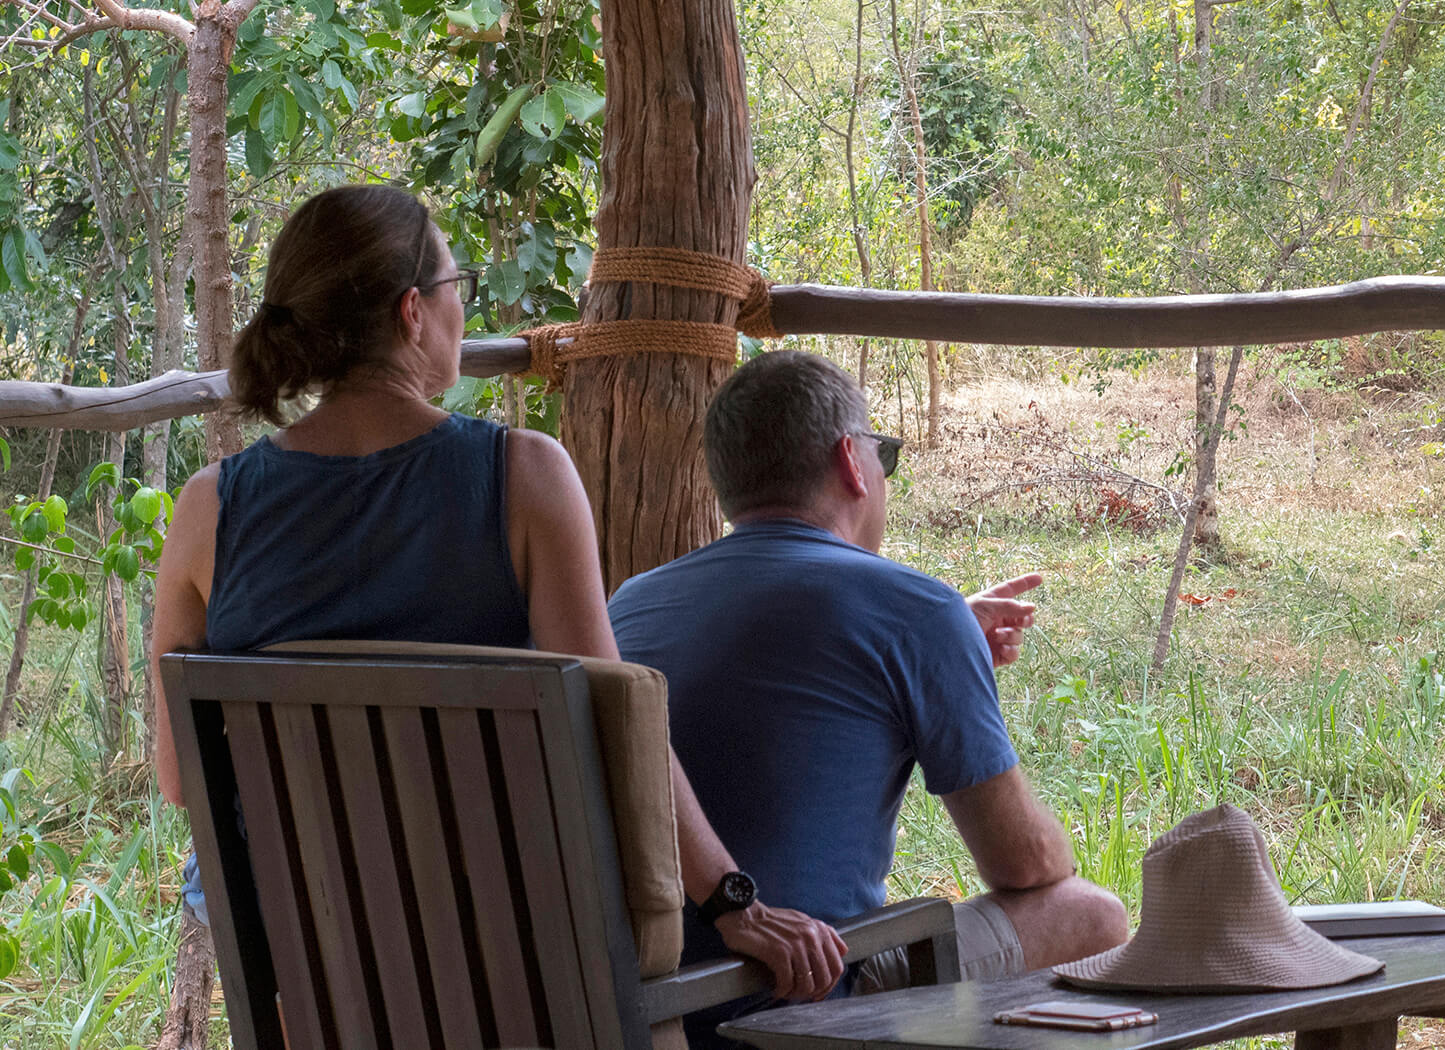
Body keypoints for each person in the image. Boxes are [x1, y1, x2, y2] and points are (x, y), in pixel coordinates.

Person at [149, 185, 847, 1003]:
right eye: (457, 288)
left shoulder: (209, 510)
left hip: (315, 977)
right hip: (511, 970)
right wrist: (735, 903)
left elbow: (178, 775)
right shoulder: (524, 479)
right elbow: (615, 731)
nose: (459, 310)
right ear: (414, 312)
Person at [609, 350, 1129, 1046]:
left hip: (637, 1000)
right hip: (795, 989)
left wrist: (940, 637)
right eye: (884, 455)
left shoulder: (631, 604)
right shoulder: (913, 612)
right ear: (852, 462)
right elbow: (1026, 864)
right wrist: (935, 640)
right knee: (1088, 912)